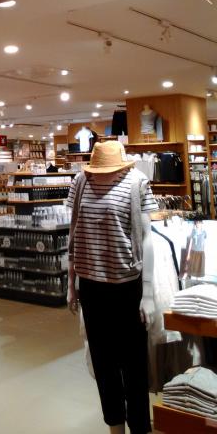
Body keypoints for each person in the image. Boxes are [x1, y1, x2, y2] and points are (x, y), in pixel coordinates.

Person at [67, 140, 157, 434]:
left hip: (127, 287)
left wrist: (148, 293)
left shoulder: (137, 182)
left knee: (134, 366)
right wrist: (71, 282)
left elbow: (147, 237)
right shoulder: (81, 181)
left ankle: (140, 427)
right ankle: (115, 428)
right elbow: (74, 230)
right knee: (104, 365)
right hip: (91, 287)